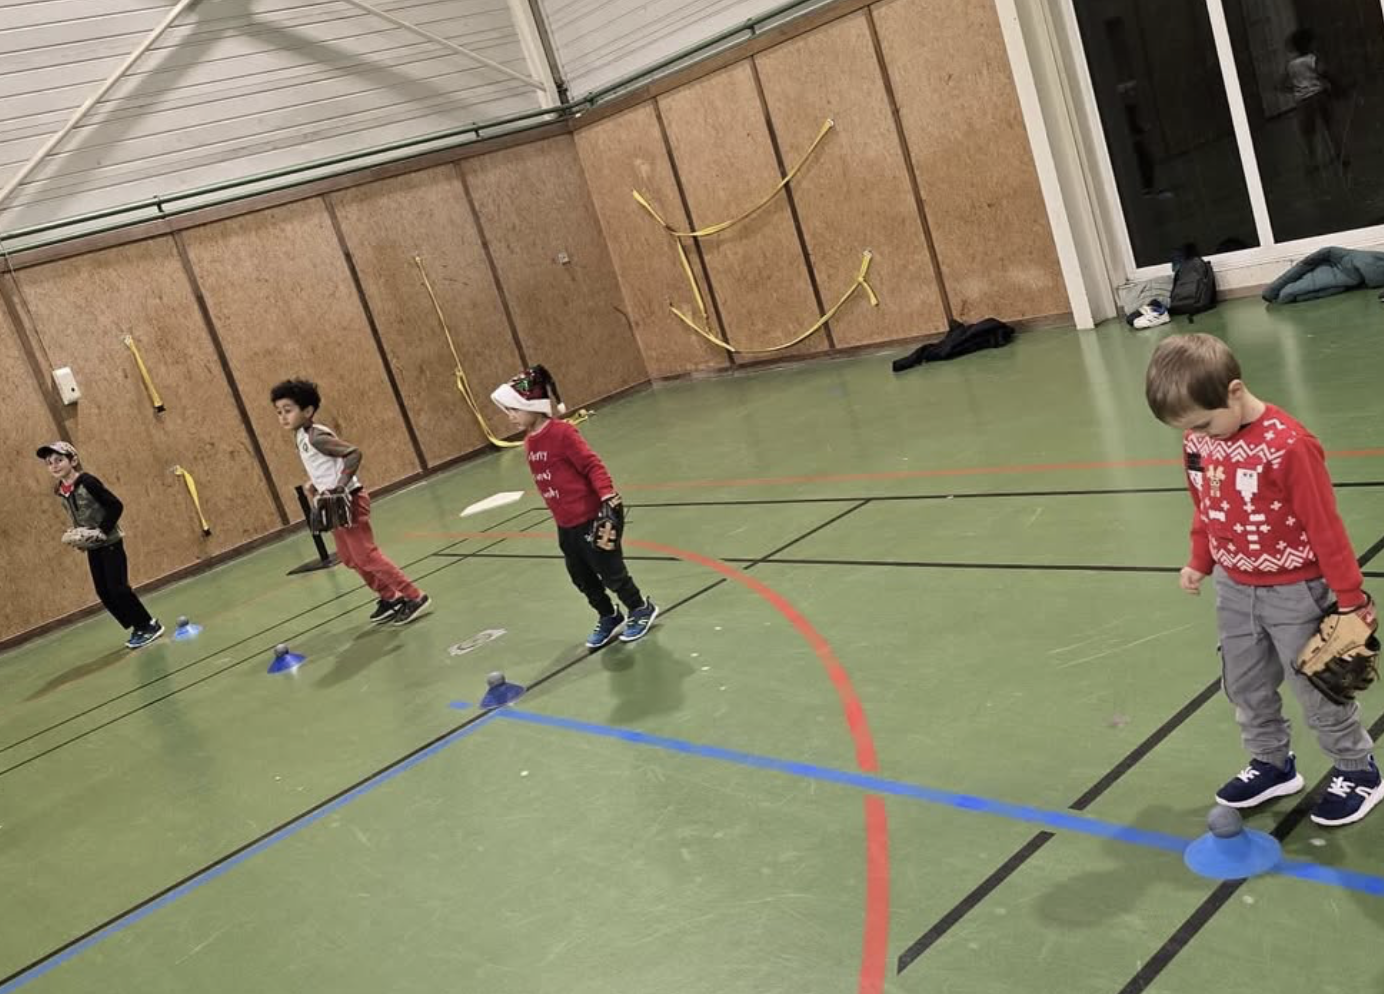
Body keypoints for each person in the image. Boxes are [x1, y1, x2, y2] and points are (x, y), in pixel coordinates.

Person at [1145, 333, 1380, 826]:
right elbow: (1206, 506)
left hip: (1296, 592)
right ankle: (1272, 763)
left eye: (1204, 423)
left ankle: (1358, 770)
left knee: (1319, 686)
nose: (1200, 435)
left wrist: (1349, 598)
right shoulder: (1199, 441)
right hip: (1234, 587)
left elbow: (1325, 526)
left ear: (1234, 391)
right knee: (1245, 683)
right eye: (1188, 428)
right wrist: (1200, 560)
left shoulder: (1289, 446)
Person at [490, 365, 657, 648]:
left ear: (532, 405)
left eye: (513, 409)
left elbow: (591, 464)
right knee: (581, 577)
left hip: (592, 518)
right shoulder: (530, 441)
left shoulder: (562, 433)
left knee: (611, 572)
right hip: (566, 525)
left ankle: (640, 608)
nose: (510, 416)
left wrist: (607, 495)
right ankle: (608, 615)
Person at [270, 379, 430, 626]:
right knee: (349, 557)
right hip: (333, 504)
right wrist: (315, 482)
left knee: (366, 555)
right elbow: (326, 464)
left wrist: (340, 486)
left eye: (288, 410)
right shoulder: (301, 436)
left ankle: (414, 596)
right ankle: (390, 596)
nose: (282, 416)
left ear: (308, 411)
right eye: (278, 412)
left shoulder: (316, 436)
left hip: (349, 500)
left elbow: (353, 453)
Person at [37, 441, 163, 649]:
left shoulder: (88, 482)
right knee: (104, 591)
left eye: (59, 460)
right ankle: (137, 626)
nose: (54, 465)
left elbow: (115, 506)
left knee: (118, 588)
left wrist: (102, 531)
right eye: (49, 463)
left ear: (73, 461)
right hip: (93, 547)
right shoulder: (60, 490)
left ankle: (148, 625)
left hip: (110, 542)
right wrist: (80, 536)